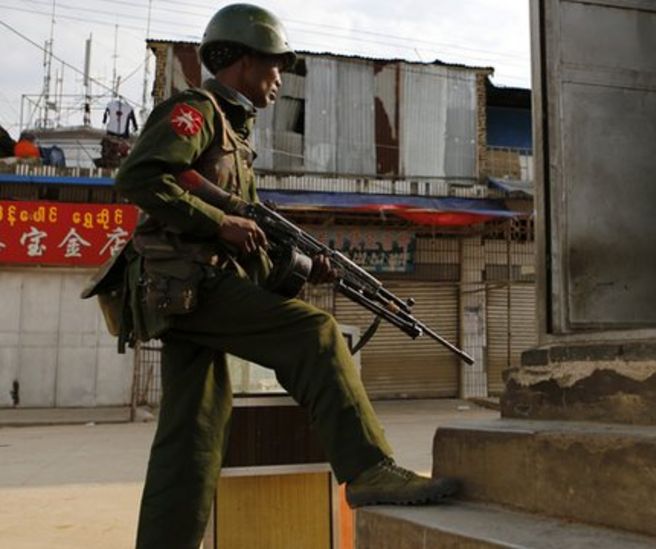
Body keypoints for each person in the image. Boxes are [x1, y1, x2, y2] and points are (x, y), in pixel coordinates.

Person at [91, 4, 458, 548]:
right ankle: (368, 470)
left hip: (188, 291)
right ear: (242, 63)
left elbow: (256, 248)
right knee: (316, 336)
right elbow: (141, 176)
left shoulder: (237, 140)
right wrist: (221, 221)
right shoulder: (197, 111)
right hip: (185, 282)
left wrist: (307, 269)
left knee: (193, 436)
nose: (280, 79)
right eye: (275, 66)